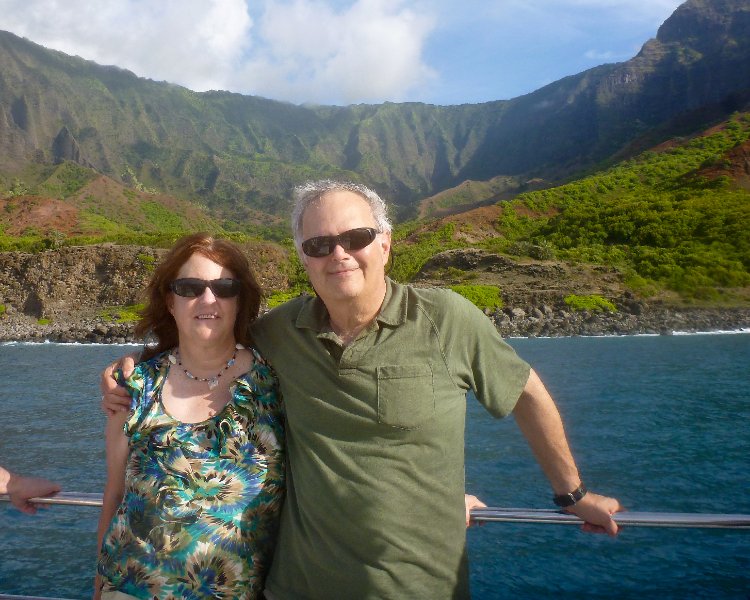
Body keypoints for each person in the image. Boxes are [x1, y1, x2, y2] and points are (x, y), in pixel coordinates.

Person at [103, 180, 622, 599]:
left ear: (386, 243)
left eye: (356, 238)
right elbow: (207, 338)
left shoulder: (446, 319)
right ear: (304, 259)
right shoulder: (281, 335)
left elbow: (526, 392)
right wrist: (134, 368)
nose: (340, 255)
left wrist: (570, 493)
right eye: (319, 245)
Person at [95, 233, 285, 600]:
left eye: (224, 287)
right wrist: (98, 585)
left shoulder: (275, 381)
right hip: (129, 590)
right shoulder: (135, 387)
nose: (208, 299)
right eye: (190, 287)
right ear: (170, 300)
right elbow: (115, 492)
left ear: (240, 299)